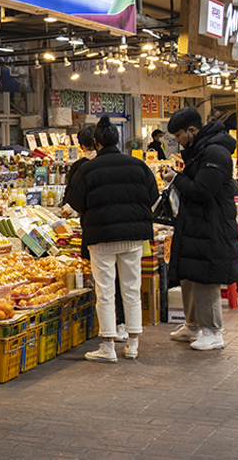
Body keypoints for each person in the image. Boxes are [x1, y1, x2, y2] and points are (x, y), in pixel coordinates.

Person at [66, 116, 159, 362]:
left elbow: (75, 202)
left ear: (96, 143)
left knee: (105, 291)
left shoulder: (87, 169)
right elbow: (152, 195)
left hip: (100, 237)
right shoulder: (139, 166)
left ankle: (107, 347)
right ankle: (133, 344)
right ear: (117, 141)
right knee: (131, 289)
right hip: (133, 237)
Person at [162, 107, 238, 351]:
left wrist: (176, 178)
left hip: (212, 223)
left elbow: (202, 190)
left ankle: (213, 331)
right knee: (190, 273)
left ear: (192, 130)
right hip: (196, 223)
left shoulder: (215, 153)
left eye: (179, 135)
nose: (177, 141)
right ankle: (193, 324)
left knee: (206, 275)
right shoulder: (199, 151)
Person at [60, 125, 95, 214]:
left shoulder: (79, 166)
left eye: (93, 148)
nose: (92, 152)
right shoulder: (77, 166)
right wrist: (67, 206)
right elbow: (70, 191)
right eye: (89, 149)